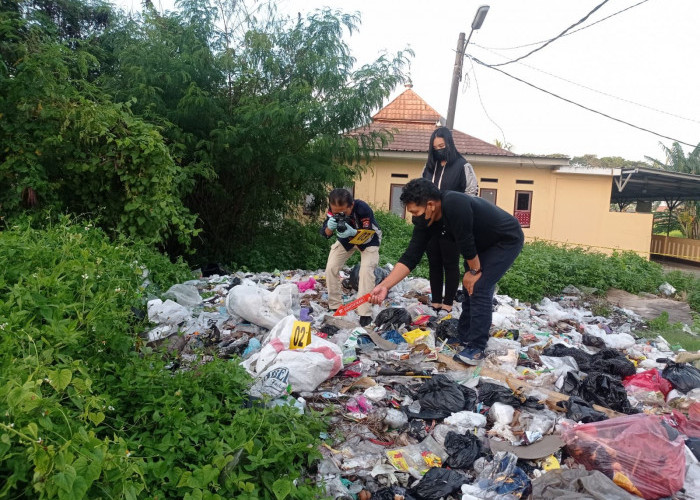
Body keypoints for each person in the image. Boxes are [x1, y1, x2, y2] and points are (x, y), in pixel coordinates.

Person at [369, 178, 523, 365]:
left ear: (431, 205)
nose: (414, 217)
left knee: (479, 286)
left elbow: (466, 242)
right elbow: (411, 255)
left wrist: (474, 272)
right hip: (479, 245)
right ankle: (465, 337)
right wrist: (384, 286)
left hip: (505, 240)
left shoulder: (455, 203)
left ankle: (476, 348)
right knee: (468, 288)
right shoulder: (427, 221)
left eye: (415, 212)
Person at [422, 126, 478, 315]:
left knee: (450, 263)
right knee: (434, 262)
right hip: (431, 222)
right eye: (435, 147)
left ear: (449, 144)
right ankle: (436, 301)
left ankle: (448, 303)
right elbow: (421, 190)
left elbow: (471, 193)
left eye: (442, 146)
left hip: (452, 223)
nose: (439, 150)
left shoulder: (463, 165)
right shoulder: (429, 167)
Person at [321, 188, 382, 327]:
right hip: (346, 239)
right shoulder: (332, 211)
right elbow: (324, 233)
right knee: (331, 267)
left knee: (366, 271)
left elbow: (369, 232)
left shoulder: (363, 208)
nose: (339, 215)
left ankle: (365, 314)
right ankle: (335, 306)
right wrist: (329, 227)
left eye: (343, 212)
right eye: (336, 212)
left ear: (351, 205)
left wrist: (354, 232)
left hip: (368, 239)